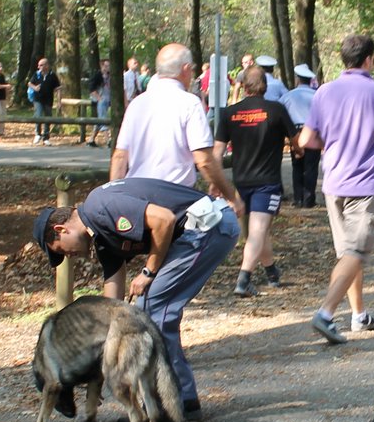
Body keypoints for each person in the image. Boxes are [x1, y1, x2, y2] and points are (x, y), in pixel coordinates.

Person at [33, 178, 239, 421]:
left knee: (151, 308)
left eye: (60, 250)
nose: (68, 256)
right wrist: (100, 357)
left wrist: (148, 272)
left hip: (207, 226)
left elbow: (165, 220)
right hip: (198, 232)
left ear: (61, 230)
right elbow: (111, 305)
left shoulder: (100, 207)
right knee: (145, 312)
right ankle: (182, 400)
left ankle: (172, 403)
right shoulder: (101, 239)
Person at [300, 34, 374, 343]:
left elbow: (306, 140)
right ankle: (325, 314)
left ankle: (358, 316)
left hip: (333, 183)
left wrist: (331, 143)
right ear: (369, 59)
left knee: (348, 254)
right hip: (364, 184)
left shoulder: (324, 91)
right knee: (356, 252)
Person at [111, 43, 241, 214]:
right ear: (186, 69)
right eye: (192, 69)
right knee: (225, 229)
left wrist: (113, 197)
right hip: (173, 199)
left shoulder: (137, 104)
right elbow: (204, 160)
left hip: (136, 197)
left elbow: (120, 156)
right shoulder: (190, 103)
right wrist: (230, 196)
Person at [216, 66, 293, 296]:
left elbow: (216, 152)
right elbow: (297, 140)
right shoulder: (276, 110)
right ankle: (243, 280)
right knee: (258, 230)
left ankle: (271, 272)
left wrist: (216, 181)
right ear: (265, 86)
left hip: (241, 182)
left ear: (244, 85)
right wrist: (296, 148)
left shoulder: (229, 113)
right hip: (266, 182)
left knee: (258, 232)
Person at [282, 64, 321, 207]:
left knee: (297, 165)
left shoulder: (288, 96)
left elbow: (281, 113)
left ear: (298, 79)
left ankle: (298, 199)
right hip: (313, 132)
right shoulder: (317, 95)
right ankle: (309, 199)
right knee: (311, 166)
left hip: (295, 133)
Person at [31, 57, 60, 142]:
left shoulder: (52, 75)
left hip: (48, 100)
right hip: (38, 99)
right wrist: (35, 87)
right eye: (38, 65)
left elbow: (58, 89)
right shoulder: (36, 74)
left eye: (41, 65)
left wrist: (59, 101)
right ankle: (37, 134)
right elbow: (30, 83)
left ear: (46, 65)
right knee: (38, 115)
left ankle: (46, 137)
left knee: (48, 117)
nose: (39, 67)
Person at [87, 60, 111, 146]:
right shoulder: (97, 76)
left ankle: (91, 140)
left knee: (99, 119)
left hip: (108, 98)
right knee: (103, 118)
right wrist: (99, 98)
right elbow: (91, 89)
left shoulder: (110, 76)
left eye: (109, 66)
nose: (108, 68)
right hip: (101, 100)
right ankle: (108, 140)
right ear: (102, 66)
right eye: (106, 66)